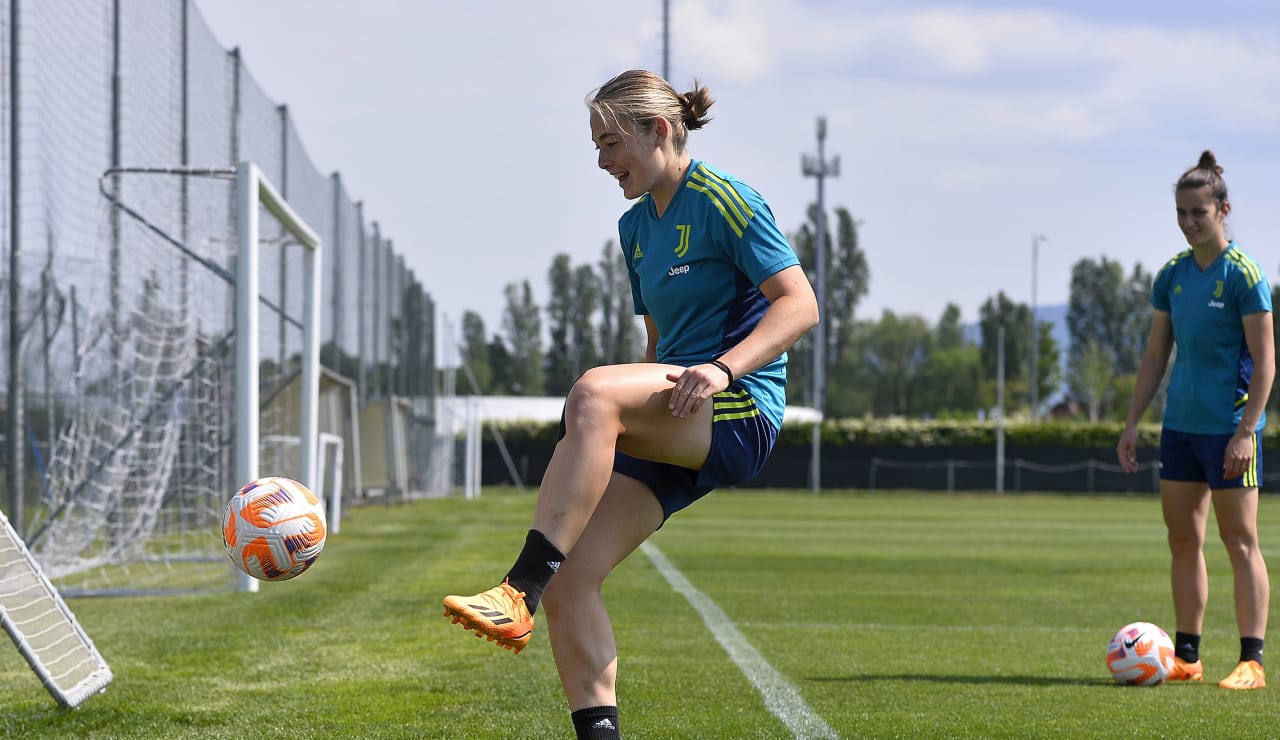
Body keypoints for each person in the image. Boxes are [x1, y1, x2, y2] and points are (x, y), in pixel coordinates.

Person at [442, 69, 819, 738]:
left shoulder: (726, 200)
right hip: (675, 415)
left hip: (738, 412)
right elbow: (657, 347)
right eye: (595, 145)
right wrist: (621, 417)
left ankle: (515, 589)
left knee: (590, 392)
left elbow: (801, 303)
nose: (601, 161)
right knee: (574, 578)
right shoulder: (633, 229)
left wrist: (724, 371)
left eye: (610, 142)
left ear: (660, 130)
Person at [1116, 150, 1274, 690]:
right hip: (1179, 429)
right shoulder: (1171, 276)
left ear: (1222, 209)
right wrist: (1133, 423)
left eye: (1198, 213)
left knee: (1240, 542)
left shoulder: (1244, 275)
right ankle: (1187, 656)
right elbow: (1156, 355)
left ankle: (1251, 661)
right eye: (1180, 213)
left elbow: (1267, 361)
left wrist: (1246, 431)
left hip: (1229, 431)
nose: (1187, 223)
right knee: (1182, 540)